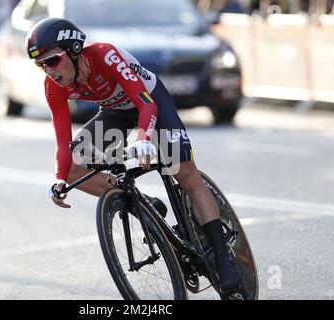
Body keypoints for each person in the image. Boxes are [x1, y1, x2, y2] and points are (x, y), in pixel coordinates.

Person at [26, 18, 241, 293]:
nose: (47, 70)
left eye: (52, 60)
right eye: (40, 64)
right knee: (73, 169)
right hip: (115, 112)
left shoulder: (105, 55)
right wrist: (59, 179)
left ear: (74, 49)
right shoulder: (52, 85)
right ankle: (142, 202)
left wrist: (142, 138)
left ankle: (223, 256)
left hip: (150, 102)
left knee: (185, 174)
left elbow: (146, 106)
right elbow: (62, 140)